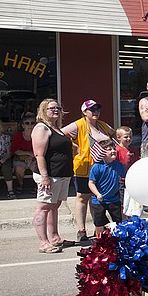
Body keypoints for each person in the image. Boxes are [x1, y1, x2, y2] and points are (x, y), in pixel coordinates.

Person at [63, 100, 114, 244]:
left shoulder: (103, 125)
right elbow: (60, 135)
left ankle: (99, 227)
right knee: (82, 197)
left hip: (103, 169)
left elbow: (114, 135)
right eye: (92, 109)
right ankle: (81, 230)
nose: (96, 111)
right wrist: (75, 147)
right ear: (84, 112)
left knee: (97, 199)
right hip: (84, 167)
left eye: (98, 109)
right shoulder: (78, 125)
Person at [31, 99, 75, 253]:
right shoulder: (41, 128)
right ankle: (43, 242)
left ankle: (55, 238)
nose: (56, 110)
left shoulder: (57, 128)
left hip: (61, 174)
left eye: (58, 108)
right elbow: (39, 154)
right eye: (51, 108)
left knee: (54, 206)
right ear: (44, 110)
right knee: (43, 207)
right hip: (49, 175)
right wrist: (44, 176)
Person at [87, 139, 126, 235]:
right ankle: (99, 241)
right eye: (109, 149)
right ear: (102, 152)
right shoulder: (96, 167)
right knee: (99, 223)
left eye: (114, 149)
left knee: (118, 222)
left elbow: (126, 178)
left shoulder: (119, 165)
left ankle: (119, 240)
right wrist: (97, 194)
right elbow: (91, 183)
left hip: (114, 199)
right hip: (99, 200)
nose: (113, 151)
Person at [11, 116, 36, 194]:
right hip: (20, 159)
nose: (30, 125)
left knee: (36, 169)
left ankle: (36, 186)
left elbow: (41, 148)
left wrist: (32, 156)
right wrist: (28, 153)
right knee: (19, 169)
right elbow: (15, 150)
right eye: (27, 123)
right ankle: (20, 184)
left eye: (32, 123)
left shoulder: (37, 135)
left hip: (34, 158)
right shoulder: (18, 136)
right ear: (23, 125)